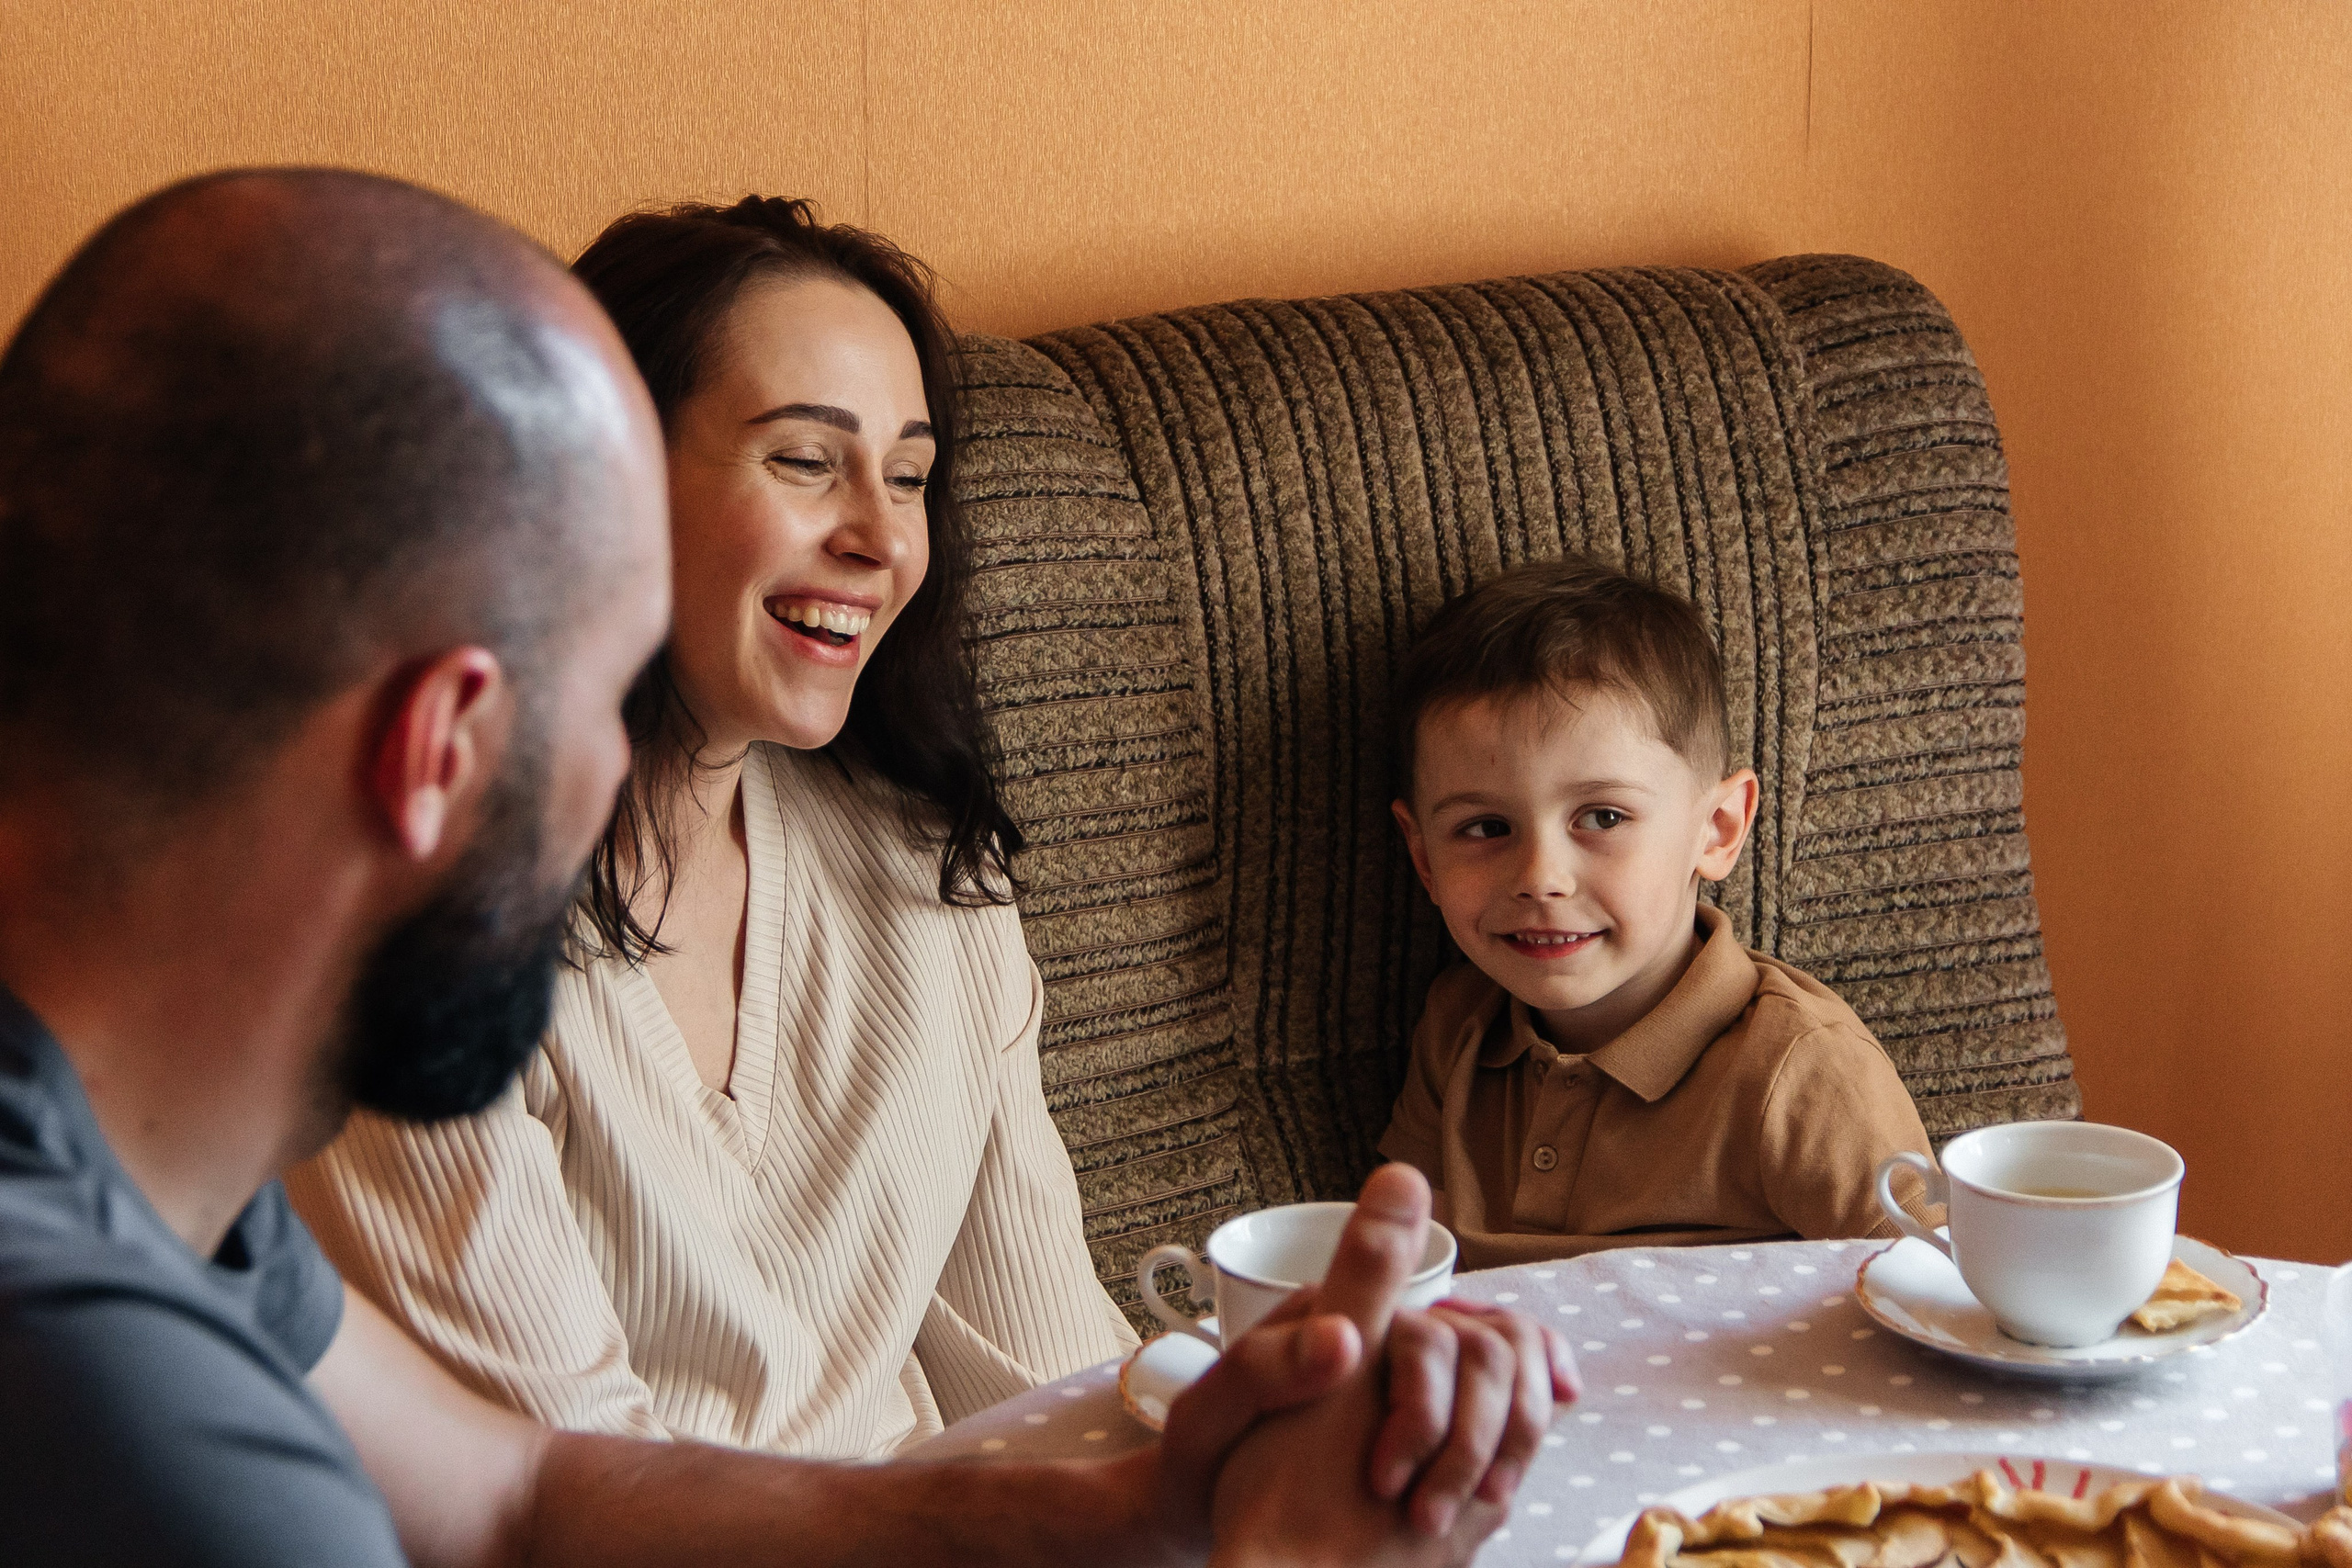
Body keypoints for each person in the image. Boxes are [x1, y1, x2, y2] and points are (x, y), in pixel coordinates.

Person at [0, 167, 1573, 1566]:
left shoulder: (174, 1208)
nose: (626, 769)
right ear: (440, 749)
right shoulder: (140, 1430)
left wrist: (1154, 1507)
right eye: (591, 692)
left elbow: (522, 1495)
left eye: (910, 475)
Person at [286, 196, 1136, 1459]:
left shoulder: (927, 869)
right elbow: (560, 1496)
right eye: (805, 460)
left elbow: (1062, 1385)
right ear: (600, 474)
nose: (881, 536)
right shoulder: (421, 929)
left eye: (910, 476)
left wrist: (1266, 1443)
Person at [1379, 558, 1939, 1270]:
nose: (1541, 877)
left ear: (1717, 829)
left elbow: (1933, 1293)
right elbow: (1394, 1262)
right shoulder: (1456, 1029)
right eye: (1486, 828)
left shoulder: (1803, 1070)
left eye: (1603, 816)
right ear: (1424, 857)